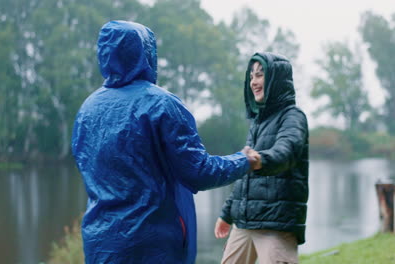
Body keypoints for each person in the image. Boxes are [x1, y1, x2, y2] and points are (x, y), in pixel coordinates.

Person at [71, 20, 261, 264]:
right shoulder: (161, 104)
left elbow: (87, 168)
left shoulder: (87, 109)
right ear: (146, 54)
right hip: (151, 244)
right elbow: (199, 172)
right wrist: (243, 160)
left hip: (100, 243)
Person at [214, 52, 309, 264]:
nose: (254, 82)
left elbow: (286, 152)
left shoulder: (292, 116)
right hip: (244, 222)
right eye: (251, 77)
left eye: (259, 75)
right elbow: (246, 175)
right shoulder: (258, 122)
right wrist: (227, 213)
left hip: (276, 222)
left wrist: (260, 160)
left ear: (276, 79)